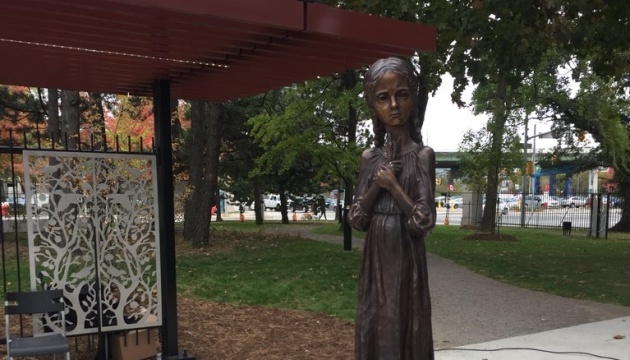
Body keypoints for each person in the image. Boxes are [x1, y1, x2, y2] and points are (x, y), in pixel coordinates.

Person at [348, 57, 436, 359]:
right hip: (376, 254)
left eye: (402, 94)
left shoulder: (422, 156)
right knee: (375, 319)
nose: (394, 105)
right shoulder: (369, 158)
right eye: (383, 98)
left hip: (405, 255)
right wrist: (378, 184)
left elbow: (422, 222)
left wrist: (395, 188)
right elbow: (357, 218)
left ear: (413, 98)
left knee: (402, 321)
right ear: (374, 106)